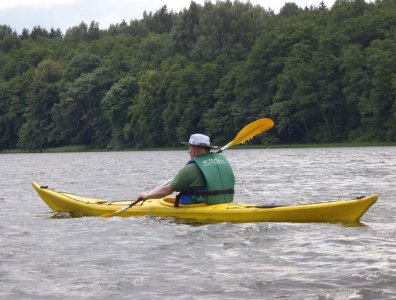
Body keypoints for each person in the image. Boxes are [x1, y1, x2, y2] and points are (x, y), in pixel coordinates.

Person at [138, 133, 235, 206]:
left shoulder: (191, 169)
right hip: (222, 203)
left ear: (195, 149)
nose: (188, 151)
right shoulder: (221, 163)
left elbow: (167, 190)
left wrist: (147, 196)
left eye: (189, 147)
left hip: (197, 207)